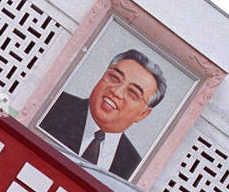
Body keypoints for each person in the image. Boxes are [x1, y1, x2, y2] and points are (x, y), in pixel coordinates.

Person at [38, 48, 167, 181]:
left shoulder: (133, 166)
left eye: (133, 93)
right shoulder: (51, 106)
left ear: (143, 114)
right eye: (114, 78)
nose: (116, 92)